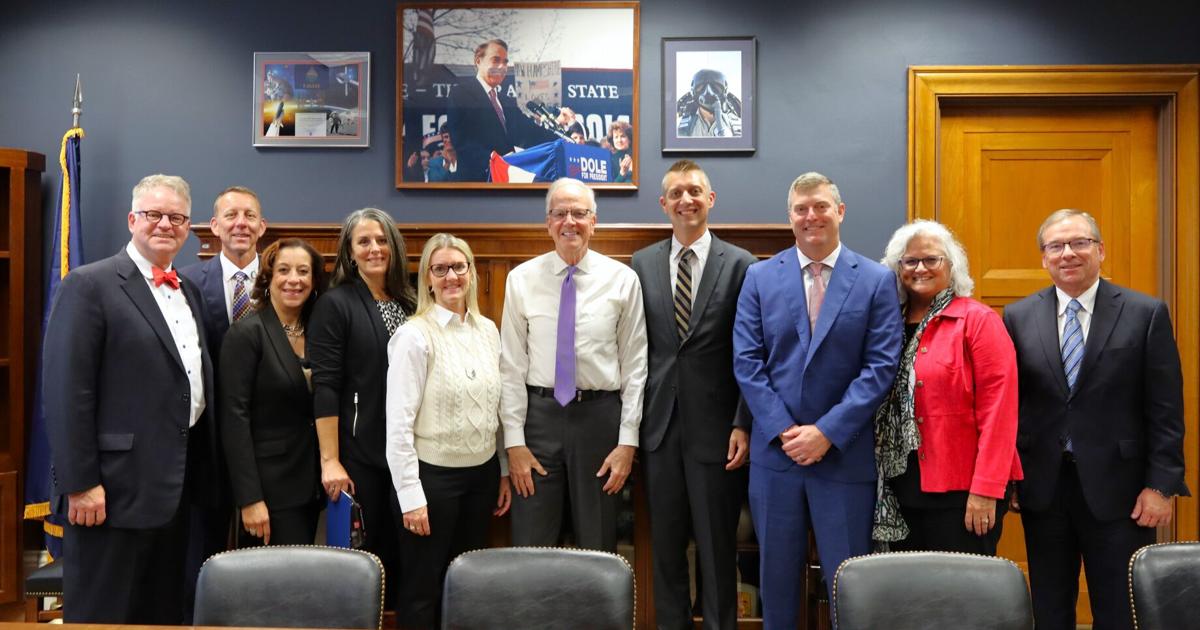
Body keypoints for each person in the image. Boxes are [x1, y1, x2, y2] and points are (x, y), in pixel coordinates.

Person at [43, 174, 218, 624]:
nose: (165, 224)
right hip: (109, 494)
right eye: (154, 214)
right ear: (131, 220)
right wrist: (81, 483)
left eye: (177, 217)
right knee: (105, 616)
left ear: (188, 226)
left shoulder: (189, 291)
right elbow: (66, 392)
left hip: (175, 491)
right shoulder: (89, 285)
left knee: (161, 615)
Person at [1003, 209, 1189, 630]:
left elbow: (1166, 409)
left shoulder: (1145, 313)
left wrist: (1161, 485)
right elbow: (1011, 405)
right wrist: (1009, 477)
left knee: (1121, 610)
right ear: (1044, 258)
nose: (1067, 253)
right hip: (1043, 488)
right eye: (1056, 246)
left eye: (1079, 243)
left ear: (1100, 250)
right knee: (1049, 608)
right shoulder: (1017, 316)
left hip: (1123, 490)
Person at [732, 172, 902, 628]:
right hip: (777, 458)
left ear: (840, 211)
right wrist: (786, 431)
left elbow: (880, 366)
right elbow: (747, 362)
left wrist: (826, 432)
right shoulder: (759, 277)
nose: (812, 216)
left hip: (844, 459)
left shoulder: (876, 280)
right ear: (790, 217)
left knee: (849, 589)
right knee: (777, 589)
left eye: (821, 206)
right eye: (801, 208)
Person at [631, 160, 755, 630]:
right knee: (665, 551)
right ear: (663, 204)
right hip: (658, 429)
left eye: (695, 191)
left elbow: (751, 351)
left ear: (710, 199)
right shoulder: (642, 263)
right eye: (677, 193)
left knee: (718, 550)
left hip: (719, 432)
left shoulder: (740, 264)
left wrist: (743, 421)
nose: (686, 200)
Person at [499, 177, 647, 552]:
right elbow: (511, 367)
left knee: (598, 545)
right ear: (548, 222)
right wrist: (514, 443)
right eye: (560, 213)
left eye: (579, 213)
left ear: (593, 221)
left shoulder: (623, 280)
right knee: (531, 545)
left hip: (599, 421)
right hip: (538, 420)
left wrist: (627, 442)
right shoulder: (521, 280)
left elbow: (635, 366)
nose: (570, 221)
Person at [385, 233, 512, 629]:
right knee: (422, 590)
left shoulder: (488, 330)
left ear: (471, 273)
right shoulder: (413, 336)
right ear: (427, 278)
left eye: (459, 267)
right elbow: (398, 424)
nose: (451, 276)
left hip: (481, 477)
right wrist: (410, 496)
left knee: (467, 587)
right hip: (432, 481)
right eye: (440, 269)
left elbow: (496, 408)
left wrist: (502, 469)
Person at [872, 220, 1022, 555]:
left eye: (931, 259)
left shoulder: (979, 321)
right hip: (898, 493)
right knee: (907, 588)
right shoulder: (886, 324)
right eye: (910, 261)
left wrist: (986, 489)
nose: (920, 268)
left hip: (963, 494)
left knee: (963, 588)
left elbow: (999, 412)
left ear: (952, 266)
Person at [308, 208, 417, 608]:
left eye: (382, 240)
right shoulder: (335, 304)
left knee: (406, 559)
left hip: (408, 454)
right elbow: (325, 386)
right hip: (360, 456)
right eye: (364, 241)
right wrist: (330, 460)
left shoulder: (410, 301)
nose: (375, 249)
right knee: (365, 562)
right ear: (349, 252)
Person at [176, 184, 268, 619]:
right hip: (206, 442)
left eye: (249, 216)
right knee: (201, 555)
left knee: (263, 561)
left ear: (262, 226)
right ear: (214, 226)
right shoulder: (186, 283)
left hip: (269, 443)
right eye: (231, 215)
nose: (240, 223)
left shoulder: (285, 280)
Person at [220, 238, 328, 547]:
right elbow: (234, 420)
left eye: (303, 271)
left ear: (314, 281)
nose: (294, 279)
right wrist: (249, 499)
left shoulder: (321, 332)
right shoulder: (246, 334)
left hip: (314, 487)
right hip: (269, 492)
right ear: (268, 278)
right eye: (284, 270)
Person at [446, 38, 559, 182]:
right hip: (478, 182)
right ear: (478, 61)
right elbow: (462, 142)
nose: (502, 66)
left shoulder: (506, 101)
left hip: (507, 182)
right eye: (495, 60)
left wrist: (563, 142)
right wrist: (493, 162)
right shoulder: (461, 94)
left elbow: (531, 133)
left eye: (505, 62)